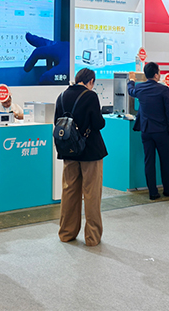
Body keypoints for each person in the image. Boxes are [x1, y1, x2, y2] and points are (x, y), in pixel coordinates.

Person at [54, 68, 107, 246]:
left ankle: (66, 233)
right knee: (91, 193)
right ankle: (92, 237)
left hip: (68, 150)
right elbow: (98, 123)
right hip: (90, 151)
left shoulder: (62, 96)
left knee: (69, 191)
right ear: (90, 81)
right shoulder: (90, 96)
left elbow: (56, 122)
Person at [128, 62, 169, 200]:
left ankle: (153, 192)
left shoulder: (139, 88)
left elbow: (130, 91)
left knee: (149, 161)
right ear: (156, 74)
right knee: (165, 161)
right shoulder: (163, 89)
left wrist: (131, 80)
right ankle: (168, 189)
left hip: (146, 131)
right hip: (161, 131)